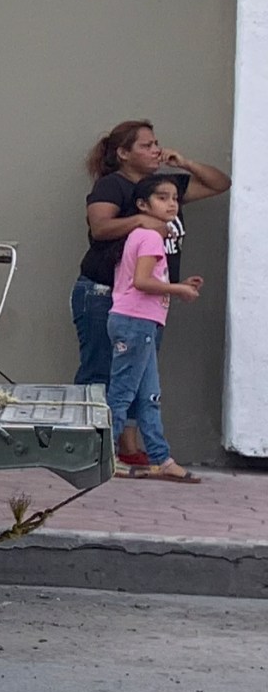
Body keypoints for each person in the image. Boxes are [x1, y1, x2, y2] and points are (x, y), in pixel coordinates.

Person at [71, 120, 227, 388]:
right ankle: (94, 432)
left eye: (156, 144)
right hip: (104, 293)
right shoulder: (112, 186)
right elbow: (100, 228)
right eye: (146, 145)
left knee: (137, 380)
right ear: (123, 153)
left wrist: (186, 163)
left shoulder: (164, 189)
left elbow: (220, 184)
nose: (156, 149)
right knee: (100, 377)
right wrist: (140, 221)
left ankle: (127, 432)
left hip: (148, 300)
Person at [107, 174, 203, 482]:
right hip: (135, 321)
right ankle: (105, 456)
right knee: (122, 394)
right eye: (162, 198)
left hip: (139, 321)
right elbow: (142, 281)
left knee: (149, 394)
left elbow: (145, 278)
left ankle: (160, 458)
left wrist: (175, 285)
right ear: (142, 205)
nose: (171, 203)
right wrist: (179, 290)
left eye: (174, 198)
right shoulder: (149, 237)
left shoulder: (142, 236)